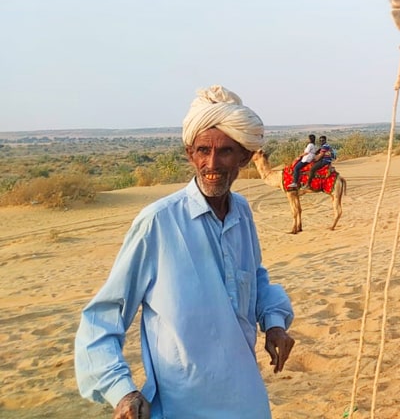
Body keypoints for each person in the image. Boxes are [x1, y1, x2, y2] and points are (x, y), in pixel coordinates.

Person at [75, 85, 295, 418]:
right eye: (203, 150)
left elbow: (255, 278)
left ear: (245, 156)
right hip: (182, 406)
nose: (212, 163)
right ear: (190, 153)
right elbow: (102, 318)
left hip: (246, 399)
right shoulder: (157, 222)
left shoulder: (242, 213)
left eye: (225, 152)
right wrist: (122, 392)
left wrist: (274, 322)